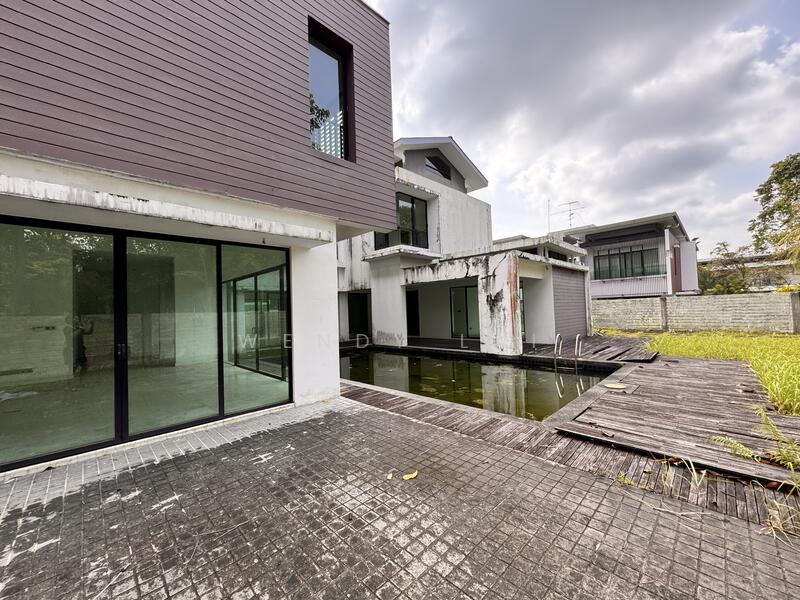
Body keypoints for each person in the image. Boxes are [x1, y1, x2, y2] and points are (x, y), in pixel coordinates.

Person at [71, 315, 94, 389]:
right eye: (75, 319)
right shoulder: (68, 328)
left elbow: (89, 332)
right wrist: (81, 329)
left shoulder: (79, 328)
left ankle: (80, 383)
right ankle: (73, 385)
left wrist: (91, 324)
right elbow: (73, 335)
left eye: (77, 319)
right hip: (73, 351)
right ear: (72, 320)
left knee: (84, 366)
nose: (76, 320)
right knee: (73, 369)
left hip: (80, 350)